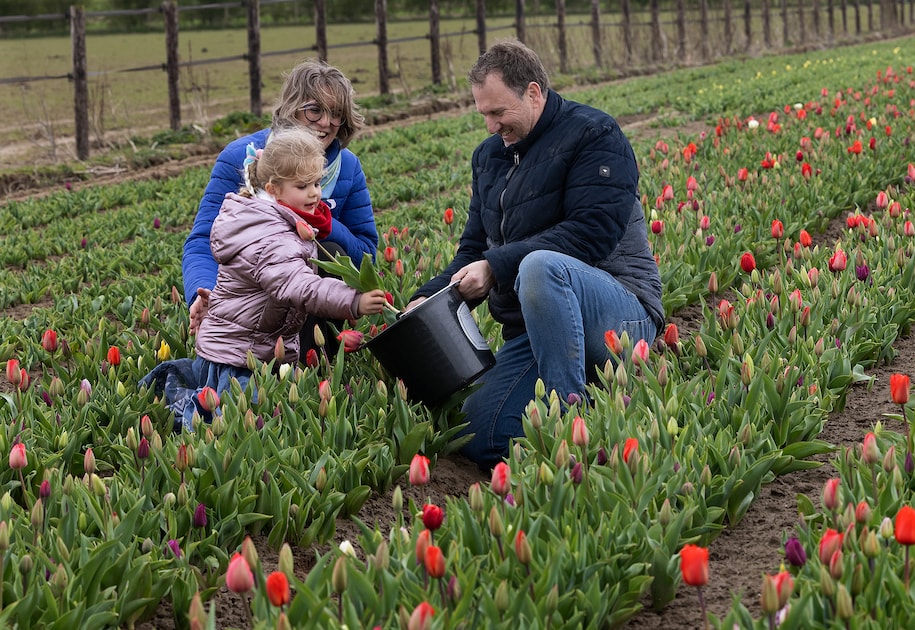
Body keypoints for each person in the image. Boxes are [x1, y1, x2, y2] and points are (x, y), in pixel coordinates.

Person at [408, 41, 663, 468]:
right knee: (479, 435)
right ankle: (587, 397)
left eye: (498, 113)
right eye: (483, 114)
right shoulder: (489, 157)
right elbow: (474, 248)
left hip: (619, 313)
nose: (491, 126)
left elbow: (591, 235)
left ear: (532, 92)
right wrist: (427, 299)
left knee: (540, 267)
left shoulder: (595, 135)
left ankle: (571, 426)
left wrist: (496, 267)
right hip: (536, 328)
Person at [143, 128, 388, 432]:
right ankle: (189, 412)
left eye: (316, 183)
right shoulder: (272, 236)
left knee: (266, 410)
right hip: (239, 355)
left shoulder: (270, 218)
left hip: (246, 344)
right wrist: (354, 300)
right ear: (273, 189)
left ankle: (193, 384)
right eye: (303, 186)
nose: (314, 193)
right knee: (242, 423)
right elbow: (300, 286)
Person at [183, 59, 378, 364]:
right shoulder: (240, 156)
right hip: (248, 300)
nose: (325, 123)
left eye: (336, 114)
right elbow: (203, 242)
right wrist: (202, 292)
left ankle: (314, 359)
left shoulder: (347, 168)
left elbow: (365, 254)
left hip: (309, 300)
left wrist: (321, 222)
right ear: (290, 109)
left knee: (328, 247)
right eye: (314, 110)